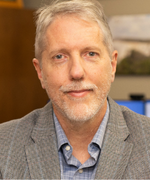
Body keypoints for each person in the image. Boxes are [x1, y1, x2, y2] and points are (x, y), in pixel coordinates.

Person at [0, 0, 150, 179]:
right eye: (59, 57)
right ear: (40, 71)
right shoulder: (4, 146)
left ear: (112, 65)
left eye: (90, 54)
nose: (76, 72)